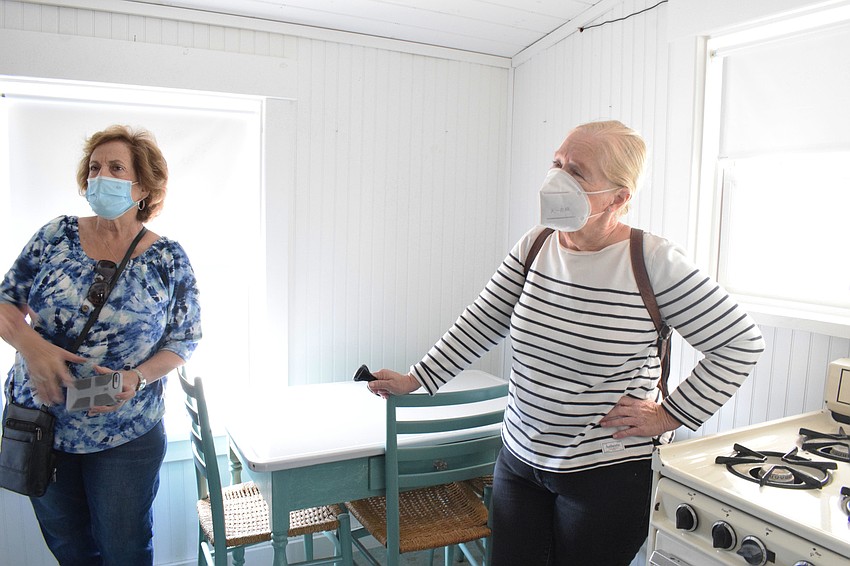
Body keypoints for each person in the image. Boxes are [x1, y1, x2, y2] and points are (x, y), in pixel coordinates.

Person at [366, 120, 765, 565]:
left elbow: (740, 343)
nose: (557, 180)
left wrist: (669, 415)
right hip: (520, 461)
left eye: (576, 172)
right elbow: (482, 320)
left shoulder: (651, 261)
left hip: (608, 475)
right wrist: (417, 378)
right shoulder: (536, 245)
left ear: (618, 197)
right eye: (556, 164)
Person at [0, 125, 202, 565]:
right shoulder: (55, 235)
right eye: (94, 168)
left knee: (124, 550)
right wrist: (34, 349)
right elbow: (5, 304)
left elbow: (185, 340)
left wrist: (137, 376)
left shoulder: (168, 259)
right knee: (70, 550)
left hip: (125, 435)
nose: (100, 176)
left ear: (144, 186)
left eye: (115, 168)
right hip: (41, 426)